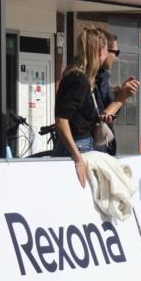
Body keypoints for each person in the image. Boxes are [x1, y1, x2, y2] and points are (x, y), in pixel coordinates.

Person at [53, 27, 110, 187]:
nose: (107, 54)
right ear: (100, 51)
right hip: (78, 148)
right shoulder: (78, 79)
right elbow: (61, 121)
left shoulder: (80, 77)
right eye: (106, 49)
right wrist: (78, 159)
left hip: (80, 146)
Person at [94, 31, 141, 155]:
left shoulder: (103, 76)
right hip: (93, 148)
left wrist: (120, 96)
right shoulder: (86, 79)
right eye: (116, 52)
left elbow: (109, 116)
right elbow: (99, 119)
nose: (117, 57)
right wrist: (120, 99)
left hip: (104, 146)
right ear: (102, 51)